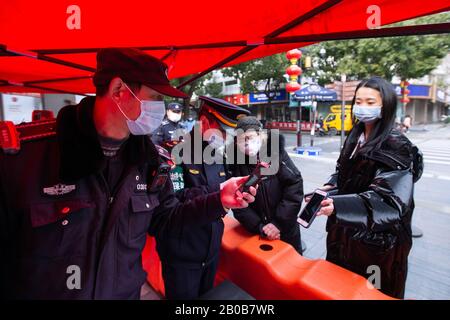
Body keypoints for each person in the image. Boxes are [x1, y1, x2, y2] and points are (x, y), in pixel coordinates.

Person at [0, 48, 256, 300]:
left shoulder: (150, 162)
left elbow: (166, 219)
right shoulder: (25, 156)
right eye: (155, 97)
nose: (161, 107)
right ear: (119, 90)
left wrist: (219, 200)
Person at [309, 76, 423, 298]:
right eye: (358, 101)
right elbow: (343, 173)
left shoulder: (396, 144)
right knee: (341, 286)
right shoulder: (356, 134)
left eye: (370, 102)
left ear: (386, 105)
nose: (362, 107)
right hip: (344, 233)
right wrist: (330, 186)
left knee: (371, 291)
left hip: (377, 244)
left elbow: (388, 201)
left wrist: (338, 206)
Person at [155, 96, 251, 299]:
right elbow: (174, 201)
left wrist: (237, 194)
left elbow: (222, 196)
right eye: (223, 131)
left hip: (211, 250)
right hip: (182, 254)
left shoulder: (219, 155)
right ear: (205, 122)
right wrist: (219, 190)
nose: (225, 138)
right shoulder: (174, 153)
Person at [231, 116, 304, 254]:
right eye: (242, 139)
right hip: (256, 233)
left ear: (260, 136)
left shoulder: (275, 153)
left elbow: (294, 183)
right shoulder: (235, 164)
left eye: (251, 137)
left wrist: (278, 223)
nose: (247, 143)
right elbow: (237, 203)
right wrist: (260, 227)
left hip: (286, 229)